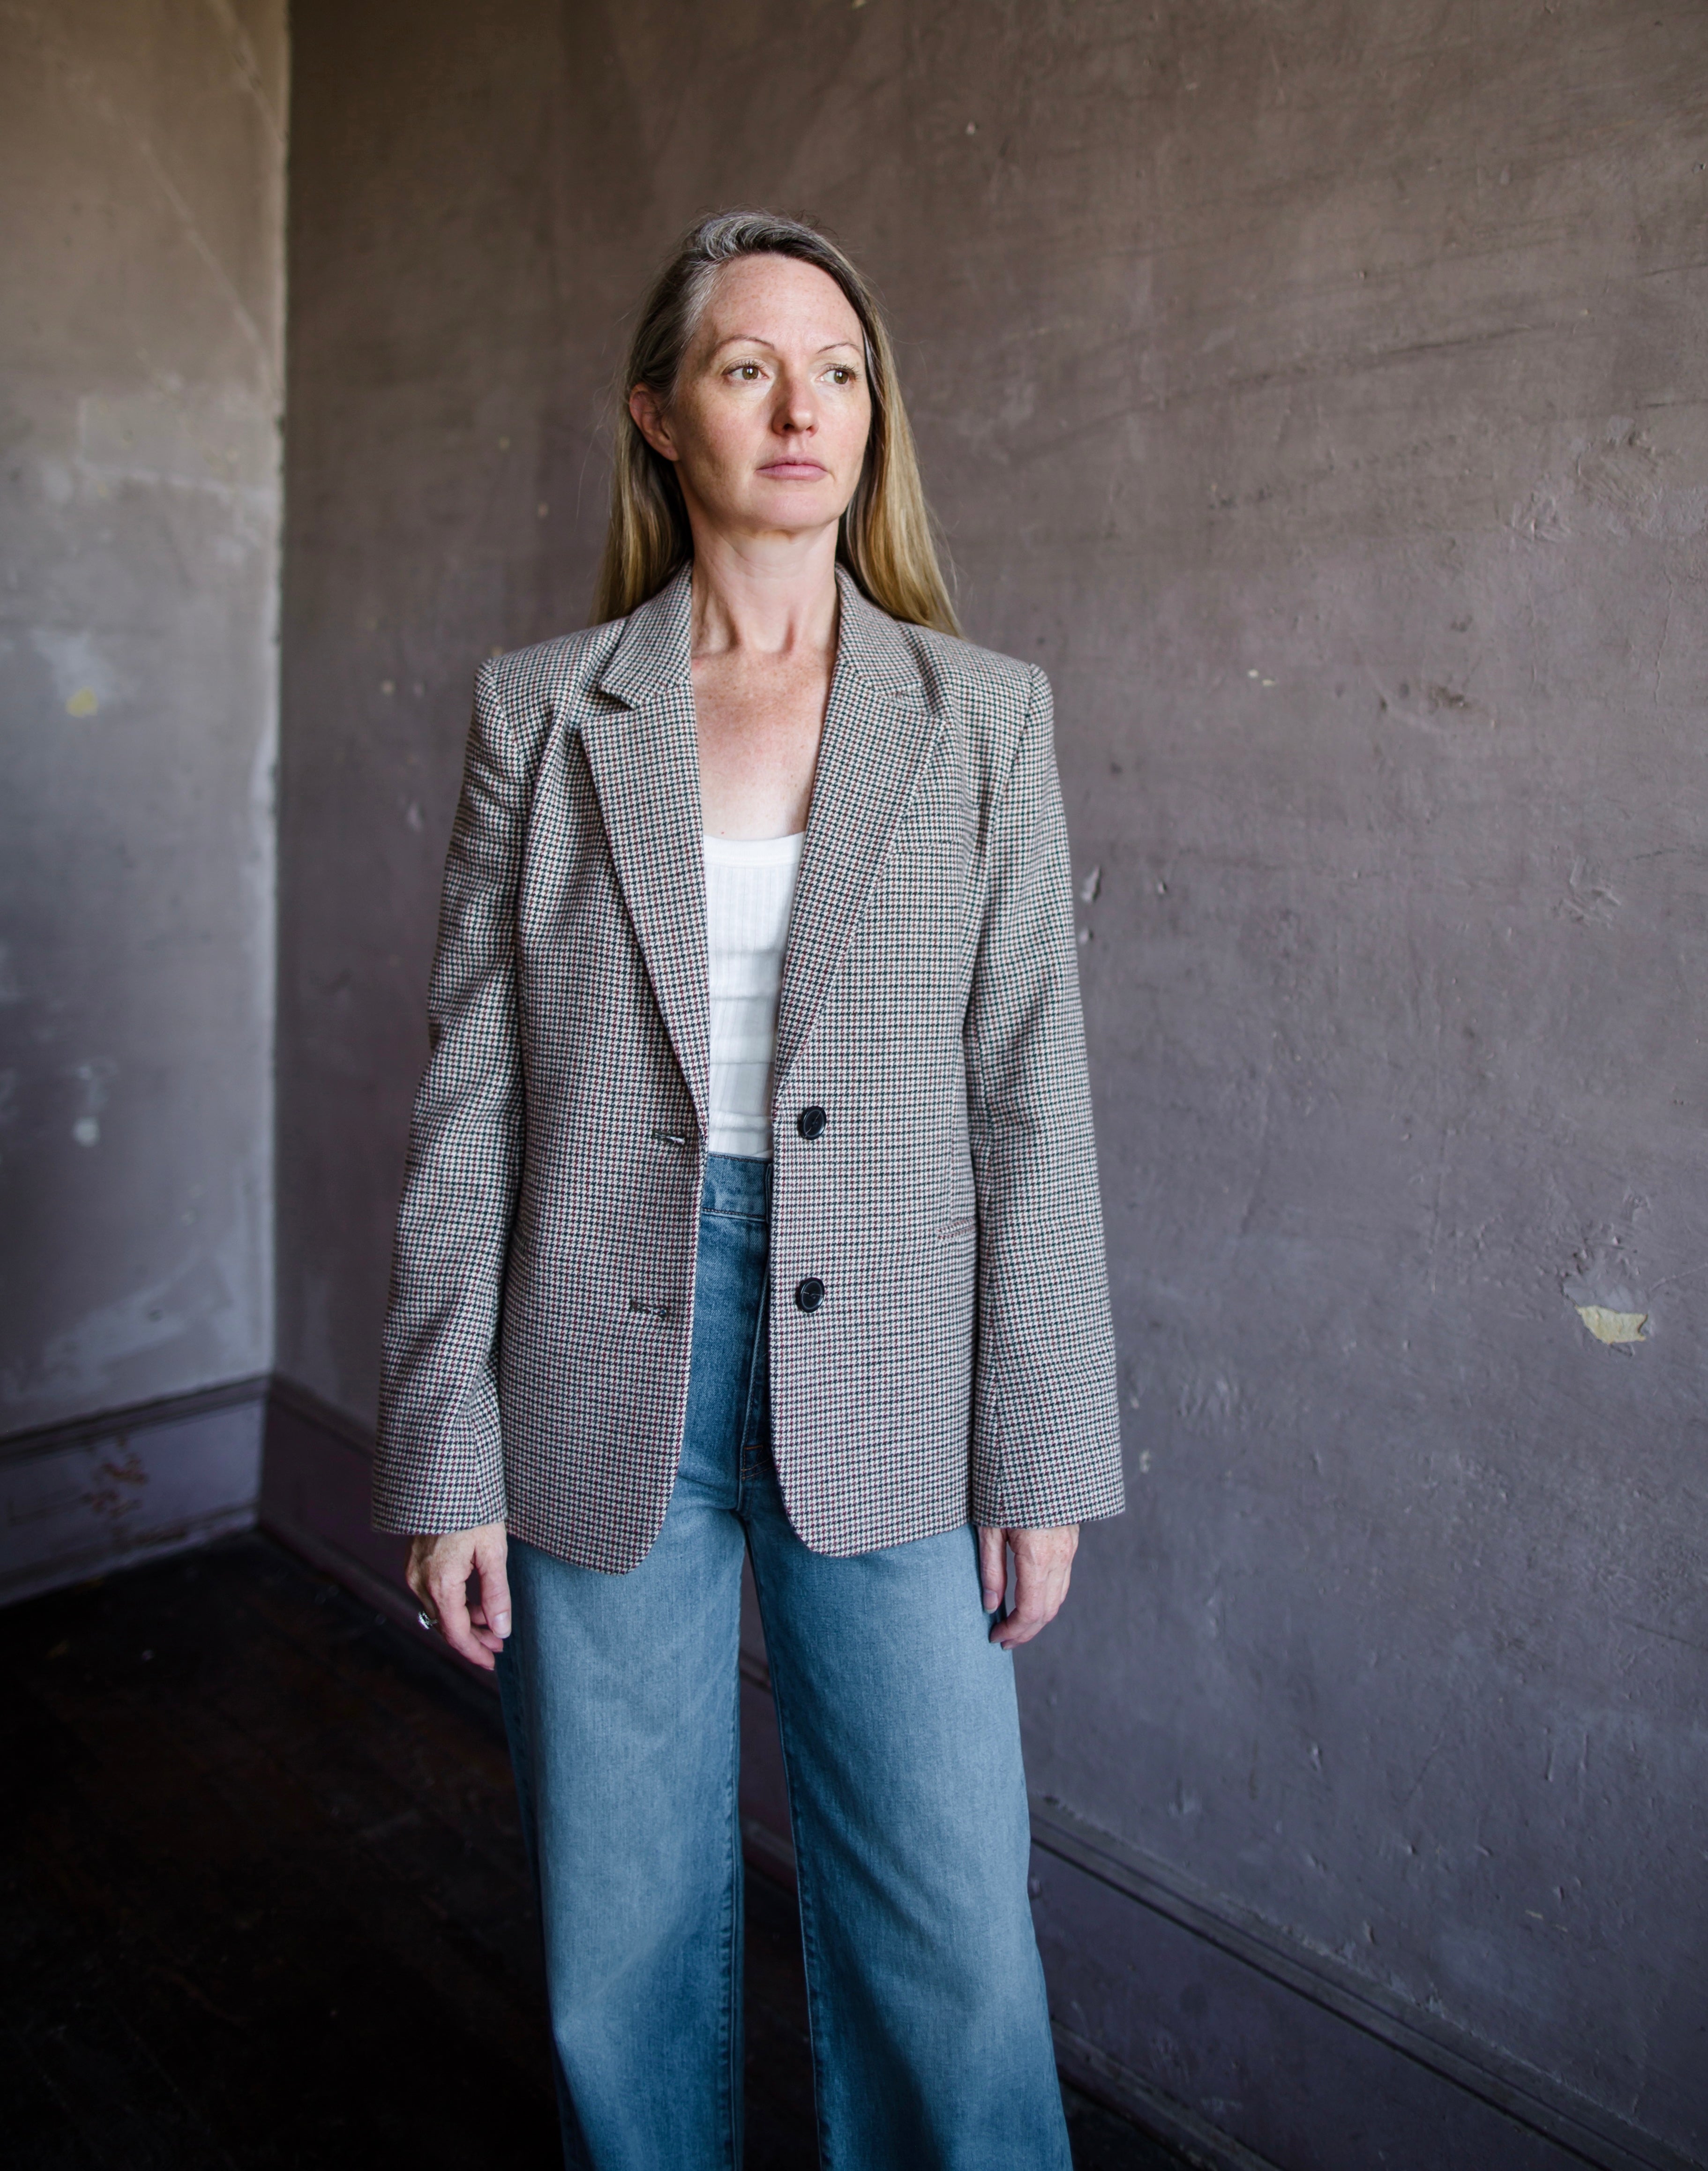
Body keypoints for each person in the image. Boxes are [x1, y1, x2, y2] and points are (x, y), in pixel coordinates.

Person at [373, 209, 1124, 2170]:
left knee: (952, 1939)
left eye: (840, 370)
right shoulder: (542, 718)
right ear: (657, 414)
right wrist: (440, 1451)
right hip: (590, 1359)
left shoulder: (984, 719)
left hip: (892, 1356)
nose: (803, 406)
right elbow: (471, 1106)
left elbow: (1033, 1096)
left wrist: (1038, 1445)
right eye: (743, 366)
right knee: (617, 1941)